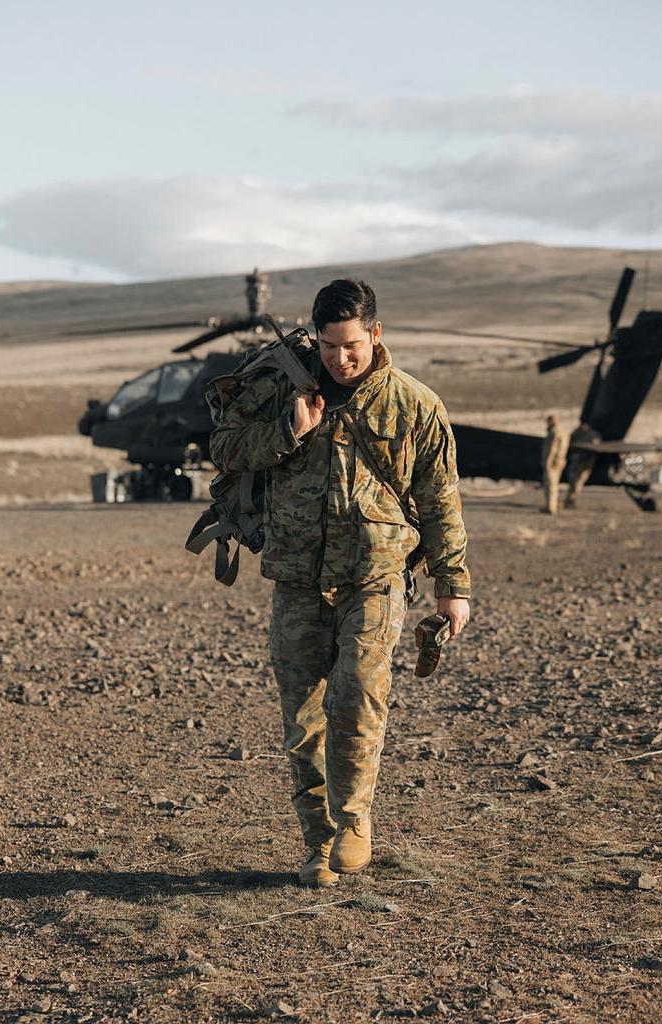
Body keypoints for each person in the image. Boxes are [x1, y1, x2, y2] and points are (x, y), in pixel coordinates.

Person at [209, 279, 471, 888]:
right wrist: (287, 431)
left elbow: (440, 499)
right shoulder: (281, 388)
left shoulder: (414, 406)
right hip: (298, 577)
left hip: (375, 578)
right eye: (328, 346)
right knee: (302, 717)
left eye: (351, 345)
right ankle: (316, 843)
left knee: (356, 696)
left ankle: (353, 821)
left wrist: (452, 585)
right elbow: (224, 447)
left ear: (375, 335)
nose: (340, 358)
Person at [565, 421, 600, 508]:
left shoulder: (593, 435)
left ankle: (571, 500)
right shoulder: (577, 432)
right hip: (576, 461)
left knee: (578, 483)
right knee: (572, 481)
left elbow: (595, 447)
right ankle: (569, 500)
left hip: (586, 463)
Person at [540, 413, 570, 514]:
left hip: (552, 462)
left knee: (550, 485)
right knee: (554, 485)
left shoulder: (554, 433)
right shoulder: (564, 432)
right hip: (560, 461)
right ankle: (552, 505)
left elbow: (552, 450)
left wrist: (547, 463)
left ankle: (550, 507)